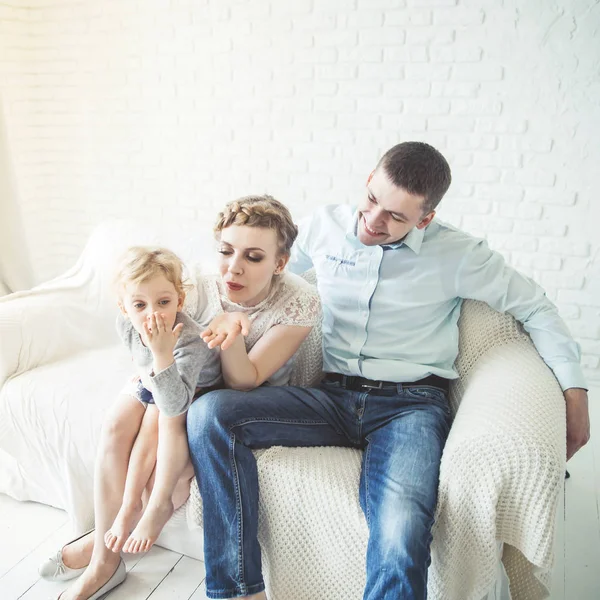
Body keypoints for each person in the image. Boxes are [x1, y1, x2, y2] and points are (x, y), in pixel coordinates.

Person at [186, 141, 590, 600]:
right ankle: (239, 591)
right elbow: (262, 276)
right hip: (330, 397)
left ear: (426, 219)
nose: (374, 221)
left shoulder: (459, 254)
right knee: (211, 414)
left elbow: (536, 307)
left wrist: (574, 389)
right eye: (373, 200)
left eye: (396, 216)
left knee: (400, 528)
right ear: (368, 181)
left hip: (409, 407)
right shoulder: (326, 227)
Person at [41, 195, 321, 600]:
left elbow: (244, 382)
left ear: (279, 262)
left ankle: (107, 544)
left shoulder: (299, 299)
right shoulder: (198, 280)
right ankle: (105, 556)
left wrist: (232, 333)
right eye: (226, 251)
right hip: (169, 372)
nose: (233, 267)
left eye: (254, 257)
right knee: (118, 424)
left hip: (227, 394)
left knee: (163, 462)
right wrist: (155, 368)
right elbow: (148, 330)